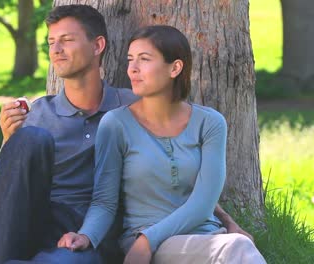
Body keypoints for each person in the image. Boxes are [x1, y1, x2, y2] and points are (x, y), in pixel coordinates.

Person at [0, 5, 254, 264]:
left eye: (67, 40)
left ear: (98, 45)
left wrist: (230, 223)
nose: (56, 50)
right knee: (30, 138)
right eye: (51, 42)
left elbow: (183, 178)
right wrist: (8, 141)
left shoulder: (132, 108)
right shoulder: (37, 113)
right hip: (40, 217)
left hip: (92, 229)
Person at [57, 25, 266, 264]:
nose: (133, 69)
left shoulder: (210, 123)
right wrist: (86, 236)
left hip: (206, 239)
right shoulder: (115, 124)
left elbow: (203, 203)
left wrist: (148, 239)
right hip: (145, 245)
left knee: (235, 246)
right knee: (237, 247)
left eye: (144, 59)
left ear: (175, 68)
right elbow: (105, 200)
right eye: (130, 59)